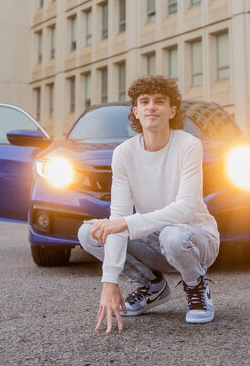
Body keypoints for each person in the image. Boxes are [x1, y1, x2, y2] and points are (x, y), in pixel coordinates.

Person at [78, 75, 220, 333]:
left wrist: (125, 223)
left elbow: (184, 210)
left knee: (172, 235)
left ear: (172, 110)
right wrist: (110, 281)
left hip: (196, 239)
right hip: (155, 240)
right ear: (136, 111)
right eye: (144, 102)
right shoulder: (124, 153)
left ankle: (196, 286)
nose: (151, 106)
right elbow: (118, 215)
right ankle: (152, 286)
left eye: (159, 101)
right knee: (90, 232)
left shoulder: (189, 145)